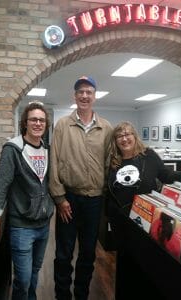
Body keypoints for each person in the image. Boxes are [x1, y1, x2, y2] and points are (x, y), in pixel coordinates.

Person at [106, 121, 181, 300]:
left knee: (146, 266)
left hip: (145, 220)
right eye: (120, 135)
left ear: (135, 137)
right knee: (125, 263)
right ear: (115, 140)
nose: (125, 138)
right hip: (121, 221)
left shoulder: (148, 156)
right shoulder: (112, 160)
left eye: (128, 134)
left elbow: (166, 175)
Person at [49, 76, 113, 300]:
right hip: (69, 200)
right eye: (80, 92)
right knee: (63, 253)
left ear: (95, 96)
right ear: (74, 96)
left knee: (88, 253)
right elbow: (54, 161)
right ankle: (62, 295)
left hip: (94, 201)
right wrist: (59, 198)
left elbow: (110, 162)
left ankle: (81, 294)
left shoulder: (106, 128)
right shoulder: (62, 126)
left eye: (89, 92)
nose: (85, 96)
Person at [0, 102, 54, 300]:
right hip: (22, 226)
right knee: (22, 279)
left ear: (46, 124)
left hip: (43, 224)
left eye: (42, 120)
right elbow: (0, 184)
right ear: (25, 123)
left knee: (34, 273)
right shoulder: (12, 148)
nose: (38, 123)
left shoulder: (48, 149)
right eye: (33, 119)